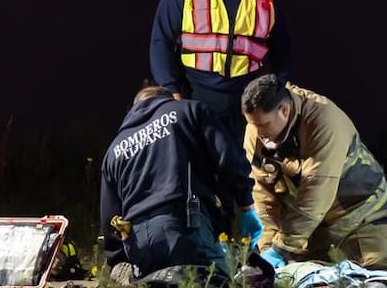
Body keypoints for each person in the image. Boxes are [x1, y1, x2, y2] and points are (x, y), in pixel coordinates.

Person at [149, 0, 291, 141]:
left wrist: (280, 90)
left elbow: (282, 46)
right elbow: (160, 42)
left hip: (249, 105)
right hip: (196, 101)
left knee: (245, 173)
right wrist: (171, 91)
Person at [99, 85, 264, 277]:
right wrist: (246, 205)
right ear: (170, 100)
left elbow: (109, 217)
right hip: (185, 226)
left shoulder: (114, 150)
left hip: (138, 242)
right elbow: (229, 158)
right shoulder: (189, 110)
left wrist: (118, 260)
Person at [241, 75, 387, 270]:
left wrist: (281, 249)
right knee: (300, 285)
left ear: (284, 110)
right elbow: (262, 192)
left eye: (263, 125)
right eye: (253, 125)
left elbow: (316, 192)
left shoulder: (324, 122)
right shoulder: (256, 129)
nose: (258, 132)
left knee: (378, 279)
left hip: (359, 215)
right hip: (310, 227)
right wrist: (268, 247)